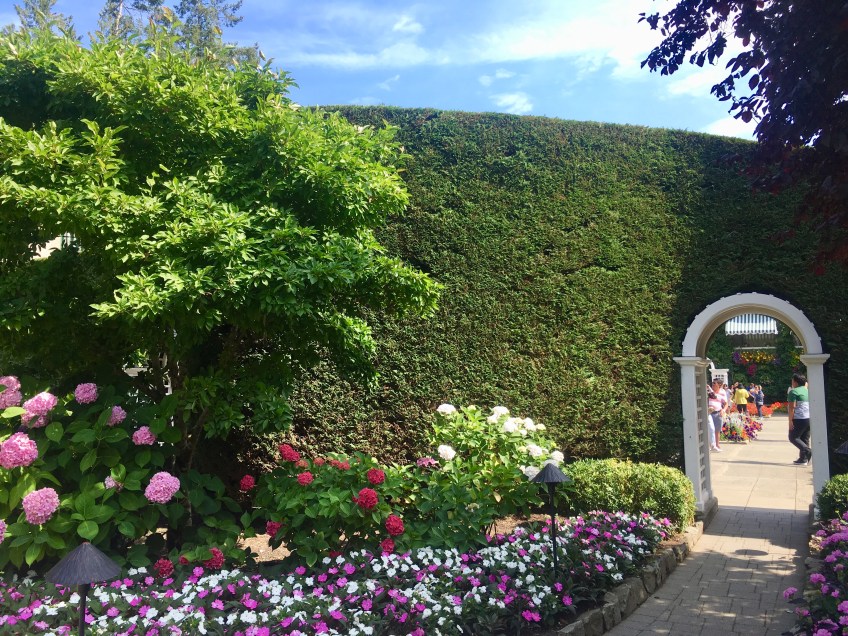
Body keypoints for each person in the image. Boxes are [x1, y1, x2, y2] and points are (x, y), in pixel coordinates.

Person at [788, 373, 811, 465]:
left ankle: (808, 451)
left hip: (799, 418)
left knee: (793, 437)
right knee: (805, 438)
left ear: (795, 382)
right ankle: (803, 459)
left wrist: (790, 421)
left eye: (792, 381)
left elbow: (792, 408)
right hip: (809, 418)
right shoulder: (807, 391)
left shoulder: (794, 392)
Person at [707, 379, 727, 451]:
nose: (713, 384)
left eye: (714, 383)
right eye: (712, 383)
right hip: (709, 413)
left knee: (717, 430)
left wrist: (723, 410)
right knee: (710, 429)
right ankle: (711, 445)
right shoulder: (709, 391)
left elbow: (725, 403)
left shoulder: (722, 392)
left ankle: (717, 445)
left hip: (717, 412)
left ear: (719, 385)